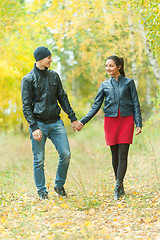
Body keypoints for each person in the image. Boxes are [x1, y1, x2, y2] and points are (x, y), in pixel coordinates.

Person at [77, 56, 142, 200]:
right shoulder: (104, 85)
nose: (108, 68)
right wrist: (83, 121)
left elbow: (136, 103)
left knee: (123, 154)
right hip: (110, 121)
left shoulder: (129, 82)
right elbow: (96, 105)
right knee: (115, 155)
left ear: (119, 67)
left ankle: (117, 186)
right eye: (106, 66)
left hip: (126, 120)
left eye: (111, 66)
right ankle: (120, 186)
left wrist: (138, 123)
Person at [21, 46, 80, 200]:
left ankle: (59, 185)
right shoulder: (28, 79)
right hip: (38, 124)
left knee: (66, 154)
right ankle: (42, 192)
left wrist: (72, 118)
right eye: (49, 57)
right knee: (39, 159)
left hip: (56, 122)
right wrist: (34, 127)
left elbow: (63, 98)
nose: (51, 60)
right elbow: (26, 106)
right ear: (40, 59)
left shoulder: (54, 76)